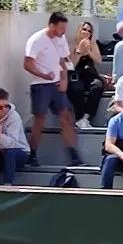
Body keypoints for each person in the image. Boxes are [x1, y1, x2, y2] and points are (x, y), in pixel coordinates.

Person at [24, 12, 84, 166]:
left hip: (56, 85)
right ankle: (32, 154)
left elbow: (63, 60)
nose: (63, 31)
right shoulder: (36, 40)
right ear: (51, 25)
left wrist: (64, 78)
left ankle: (73, 155)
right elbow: (27, 64)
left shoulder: (60, 39)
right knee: (40, 119)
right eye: (60, 28)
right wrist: (42, 74)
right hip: (40, 85)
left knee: (66, 115)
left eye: (64, 28)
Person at [68, 21, 108, 129]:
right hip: (76, 75)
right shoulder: (72, 44)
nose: (87, 32)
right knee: (77, 88)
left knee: (97, 86)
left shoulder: (92, 44)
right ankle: (79, 118)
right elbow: (71, 65)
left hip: (90, 75)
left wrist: (89, 50)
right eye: (84, 29)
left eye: (89, 31)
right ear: (79, 30)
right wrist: (80, 51)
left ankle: (86, 117)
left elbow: (99, 61)